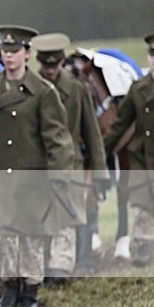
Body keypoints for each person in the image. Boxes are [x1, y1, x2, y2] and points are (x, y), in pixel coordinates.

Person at [0, 25, 74, 307]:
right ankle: (10, 288)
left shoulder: (42, 92)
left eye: (15, 51)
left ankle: (30, 291)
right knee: (3, 238)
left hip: (31, 174)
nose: (9, 56)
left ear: (27, 53)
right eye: (5, 50)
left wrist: (58, 177)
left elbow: (57, 138)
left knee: (30, 237)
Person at [30, 33, 111, 281]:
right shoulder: (30, 88)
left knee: (67, 216)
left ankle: (62, 266)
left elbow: (92, 133)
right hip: (36, 164)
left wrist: (100, 172)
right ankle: (44, 265)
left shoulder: (77, 90)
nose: (50, 70)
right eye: (46, 65)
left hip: (71, 164)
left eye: (54, 65)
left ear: (62, 62)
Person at [103, 32, 154, 267]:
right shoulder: (138, 89)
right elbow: (121, 122)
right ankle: (144, 246)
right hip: (143, 154)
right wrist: (101, 149)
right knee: (143, 202)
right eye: (152, 54)